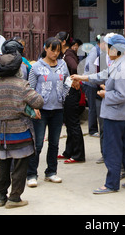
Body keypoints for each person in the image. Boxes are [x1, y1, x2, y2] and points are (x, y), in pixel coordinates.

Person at [72, 34, 125, 194]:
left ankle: (111, 184)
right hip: (122, 115)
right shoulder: (120, 63)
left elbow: (122, 95)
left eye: (108, 47)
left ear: (115, 49)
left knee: (112, 150)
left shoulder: (122, 67)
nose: (106, 50)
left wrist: (105, 94)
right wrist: (83, 77)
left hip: (115, 115)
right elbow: (103, 75)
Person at [0, 53, 44, 208]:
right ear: (17, 69)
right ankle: (14, 198)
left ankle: (0, 196)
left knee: (2, 164)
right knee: (20, 165)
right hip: (19, 130)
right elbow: (38, 101)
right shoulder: (22, 85)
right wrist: (25, 108)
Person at [27, 37, 71, 187]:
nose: (55, 53)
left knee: (54, 143)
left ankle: (51, 172)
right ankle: (31, 174)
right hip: (41, 110)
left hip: (58, 109)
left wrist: (63, 96)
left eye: (58, 51)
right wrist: (34, 106)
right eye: (53, 50)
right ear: (46, 48)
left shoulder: (63, 64)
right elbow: (30, 89)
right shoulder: (36, 67)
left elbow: (67, 82)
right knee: (37, 143)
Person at [57, 31, 85, 164]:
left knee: (73, 123)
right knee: (68, 123)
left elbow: (75, 67)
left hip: (71, 92)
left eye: (58, 40)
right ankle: (68, 151)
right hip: (67, 91)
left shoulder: (68, 54)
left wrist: (74, 79)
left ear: (63, 42)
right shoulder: (65, 54)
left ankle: (78, 154)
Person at [83, 34, 104, 137]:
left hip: (97, 82)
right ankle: (92, 130)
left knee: (98, 106)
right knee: (92, 107)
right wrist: (96, 81)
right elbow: (91, 68)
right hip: (90, 83)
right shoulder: (94, 51)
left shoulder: (102, 51)